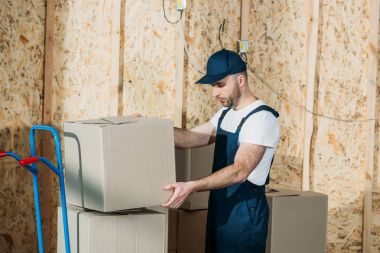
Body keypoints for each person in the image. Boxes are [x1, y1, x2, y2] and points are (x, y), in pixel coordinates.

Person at [162, 49, 280, 253]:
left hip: (244, 213)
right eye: (213, 86)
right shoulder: (225, 114)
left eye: (220, 85)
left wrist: (192, 186)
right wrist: (150, 129)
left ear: (241, 80)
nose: (215, 92)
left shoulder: (261, 119)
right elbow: (189, 138)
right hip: (220, 208)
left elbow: (240, 170)